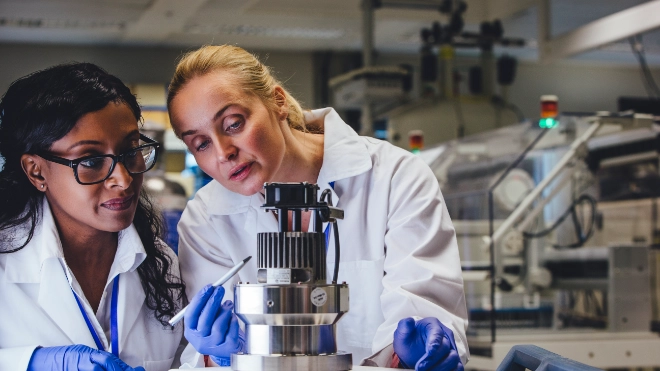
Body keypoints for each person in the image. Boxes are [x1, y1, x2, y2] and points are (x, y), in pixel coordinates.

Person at [167, 45, 469, 370]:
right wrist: (220, 356)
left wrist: (418, 348)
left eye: (233, 124)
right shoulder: (206, 219)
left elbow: (422, 309)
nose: (223, 152)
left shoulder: (393, 177)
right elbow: (209, 354)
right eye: (201, 144)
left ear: (278, 102)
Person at [0, 63, 186, 371]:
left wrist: (210, 357)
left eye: (130, 151)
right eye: (91, 160)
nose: (124, 180)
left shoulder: (161, 264)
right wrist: (28, 363)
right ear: (36, 171)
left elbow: (185, 359)